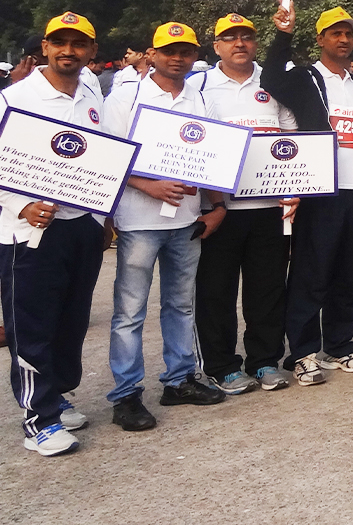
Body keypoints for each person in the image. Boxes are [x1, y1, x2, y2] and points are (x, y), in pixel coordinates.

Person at [103, 21, 227, 431]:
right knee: (130, 311)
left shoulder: (200, 99)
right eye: (169, 51)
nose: (178, 58)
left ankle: (179, 379)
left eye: (186, 51)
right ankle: (126, 395)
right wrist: (149, 186)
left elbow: (215, 159)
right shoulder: (126, 97)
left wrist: (217, 207)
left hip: (187, 219)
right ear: (151, 54)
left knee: (180, 304)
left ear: (195, 56)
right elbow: (109, 155)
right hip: (139, 220)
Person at [0, 13, 106, 456]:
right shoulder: (14, 97)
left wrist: (102, 214)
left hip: (81, 224)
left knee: (70, 320)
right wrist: (18, 204)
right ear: (44, 47)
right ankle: (37, 420)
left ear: (91, 51)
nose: (68, 51)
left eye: (78, 44)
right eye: (59, 43)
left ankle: (56, 396)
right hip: (29, 230)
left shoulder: (92, 93)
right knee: (32, 325)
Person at [262, 3, 353, 386]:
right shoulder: (306, 77)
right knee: (311, 273)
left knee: (346, 273)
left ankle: (339, 346)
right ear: (320, 39)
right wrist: (283, 34)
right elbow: (270, 80)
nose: (344, 39)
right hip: (319, 189)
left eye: (349, 33)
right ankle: (303, 353)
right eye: (336, 33)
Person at [195, 14, 299, 394]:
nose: (239, 43)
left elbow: (292, 138)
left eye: (247, 37)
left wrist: (296, 187)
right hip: (220, 210)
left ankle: (264, 361)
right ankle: (222, 366)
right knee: (216, 293)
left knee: (267, 290)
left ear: (256, 43)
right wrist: (213, 204)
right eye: (230, 38)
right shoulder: (199, 87)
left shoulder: (272, 81)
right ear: (216, 46)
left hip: (270, 209)